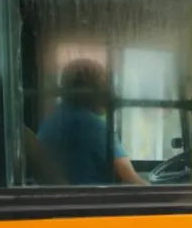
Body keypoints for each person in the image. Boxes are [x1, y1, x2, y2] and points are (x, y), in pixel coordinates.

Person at [38, 58, 148, 186]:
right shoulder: (94, 126)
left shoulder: (53, 120)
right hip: (93, 200)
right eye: (105, 85)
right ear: (95, 90)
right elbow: (130, 177)